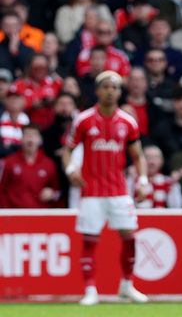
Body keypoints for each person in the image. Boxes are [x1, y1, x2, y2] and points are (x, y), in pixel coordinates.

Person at [61, 71, 148, 306]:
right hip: (91, 192)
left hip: (119, 190)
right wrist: (71, 170)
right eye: (106, 87)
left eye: (115, 87)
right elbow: (68, 150)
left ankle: (127, 285)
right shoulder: (84, 120)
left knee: (129, 236)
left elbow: (138, 156)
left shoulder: (128, 122)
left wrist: (142, 180)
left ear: (120, 92)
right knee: (90, 240)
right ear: (98, 90)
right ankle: (90, 290)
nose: (111, 91)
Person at [0, 125, 59, 208]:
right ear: (21, 139)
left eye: (34, 135)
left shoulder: (49, 164)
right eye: (27, 135)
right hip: (14, 215)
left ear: (40, 140)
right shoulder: (9, 162)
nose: (30, 139)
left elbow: (56, 191)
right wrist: (7, 214)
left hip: (40, 215)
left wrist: (52, 194)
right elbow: (2, 190)